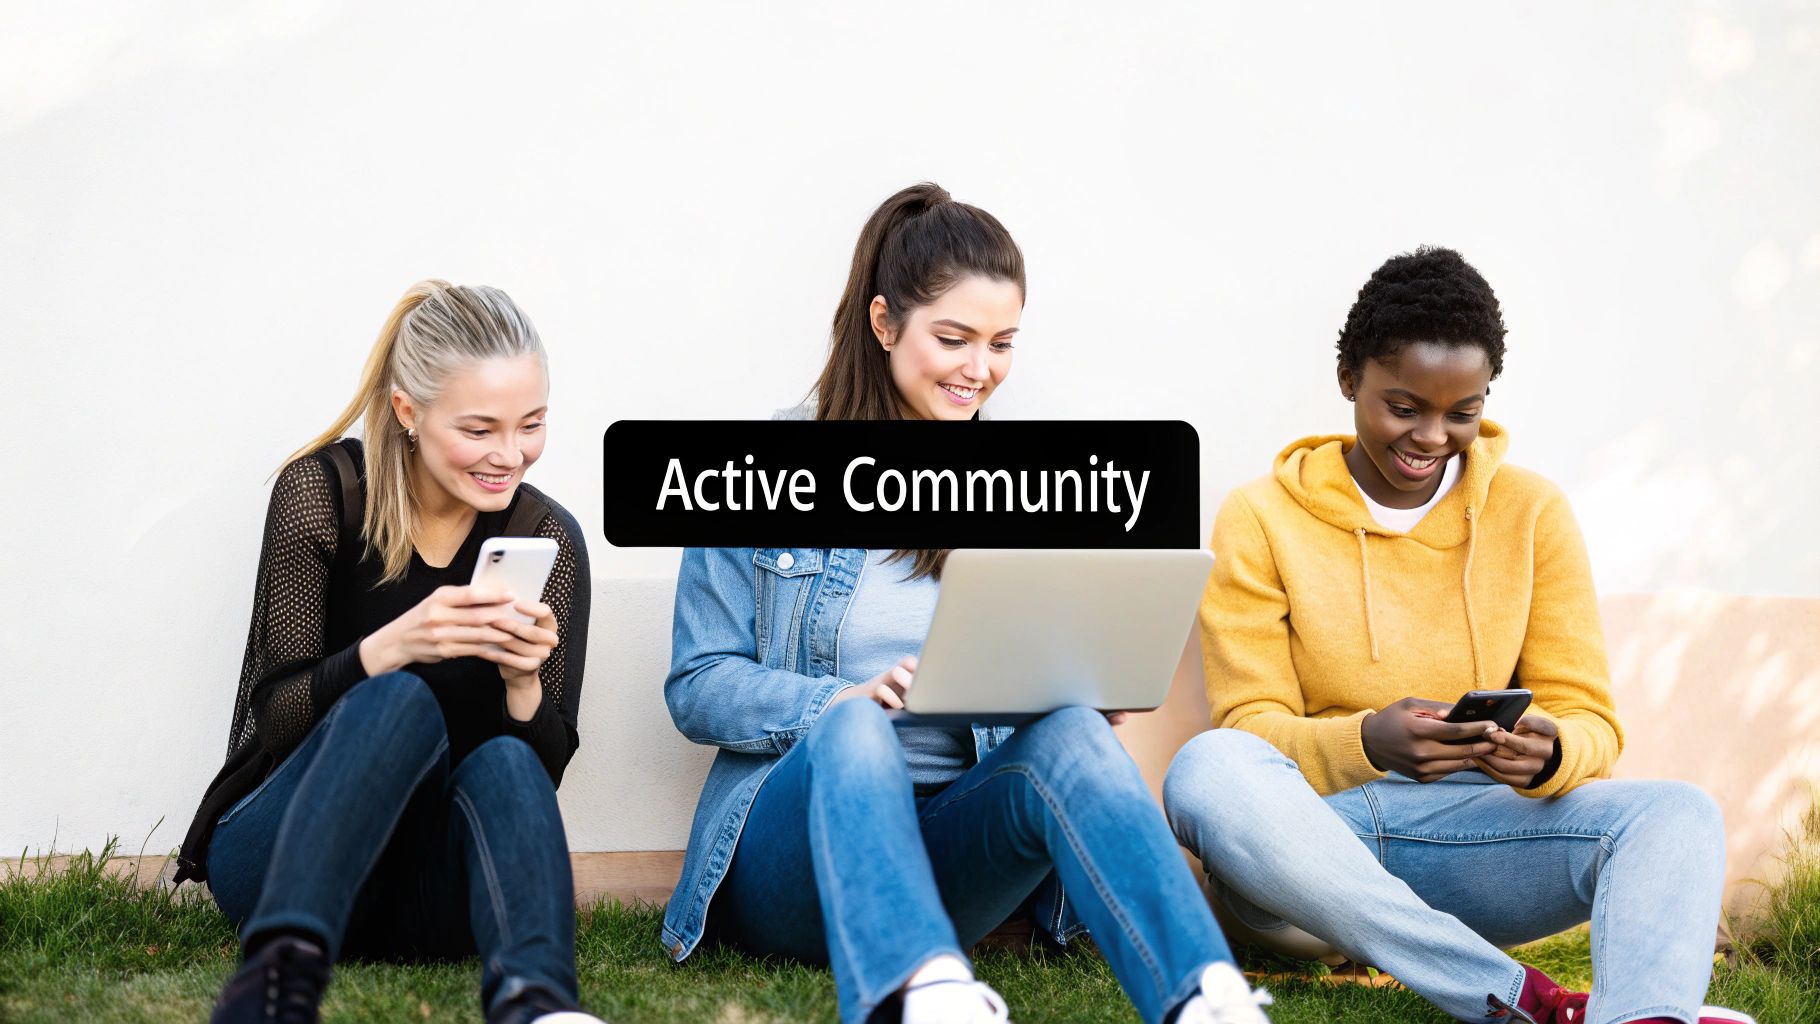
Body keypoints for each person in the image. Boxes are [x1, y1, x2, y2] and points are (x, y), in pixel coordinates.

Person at [660, 183, 1270, 1024]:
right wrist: (834, 701)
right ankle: (925, 995)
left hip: (949, 844)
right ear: (883, 325)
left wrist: (1078, 686)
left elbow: (1042, 686)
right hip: (795, 861)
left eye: (1001, 344)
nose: (979, 371)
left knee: (1073, 734)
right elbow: (696, 683)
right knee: (854, 726)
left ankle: (1207, 999)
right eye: (954, 339)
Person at [1163, 247, 1753, 1024]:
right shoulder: (1262, 515)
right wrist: (1369, 741)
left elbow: (1591, 722)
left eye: (1461, 412)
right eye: (1403, 408)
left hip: (1474, 839)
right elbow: (1250, 727)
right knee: (1208, 766)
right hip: (1306, 850)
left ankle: (1636, 1015)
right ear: (1350, 381)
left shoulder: (1532, 512)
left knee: (1678, 813)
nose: (1431, 436)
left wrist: (1549, 752)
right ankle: (1520, 998)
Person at [174, 281, 602, 1024]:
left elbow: (540, 777)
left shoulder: (547, 540)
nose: (511, 455)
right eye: (480, 429)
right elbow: (274, 721)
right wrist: (390, 648)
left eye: (531, 424)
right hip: (281, 861)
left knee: (504, 760)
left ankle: (539, 1004)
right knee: (401, 699)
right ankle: (274, 984)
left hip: (431, 891)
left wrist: (524, 682)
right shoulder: (323, 494)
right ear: (408, 411)